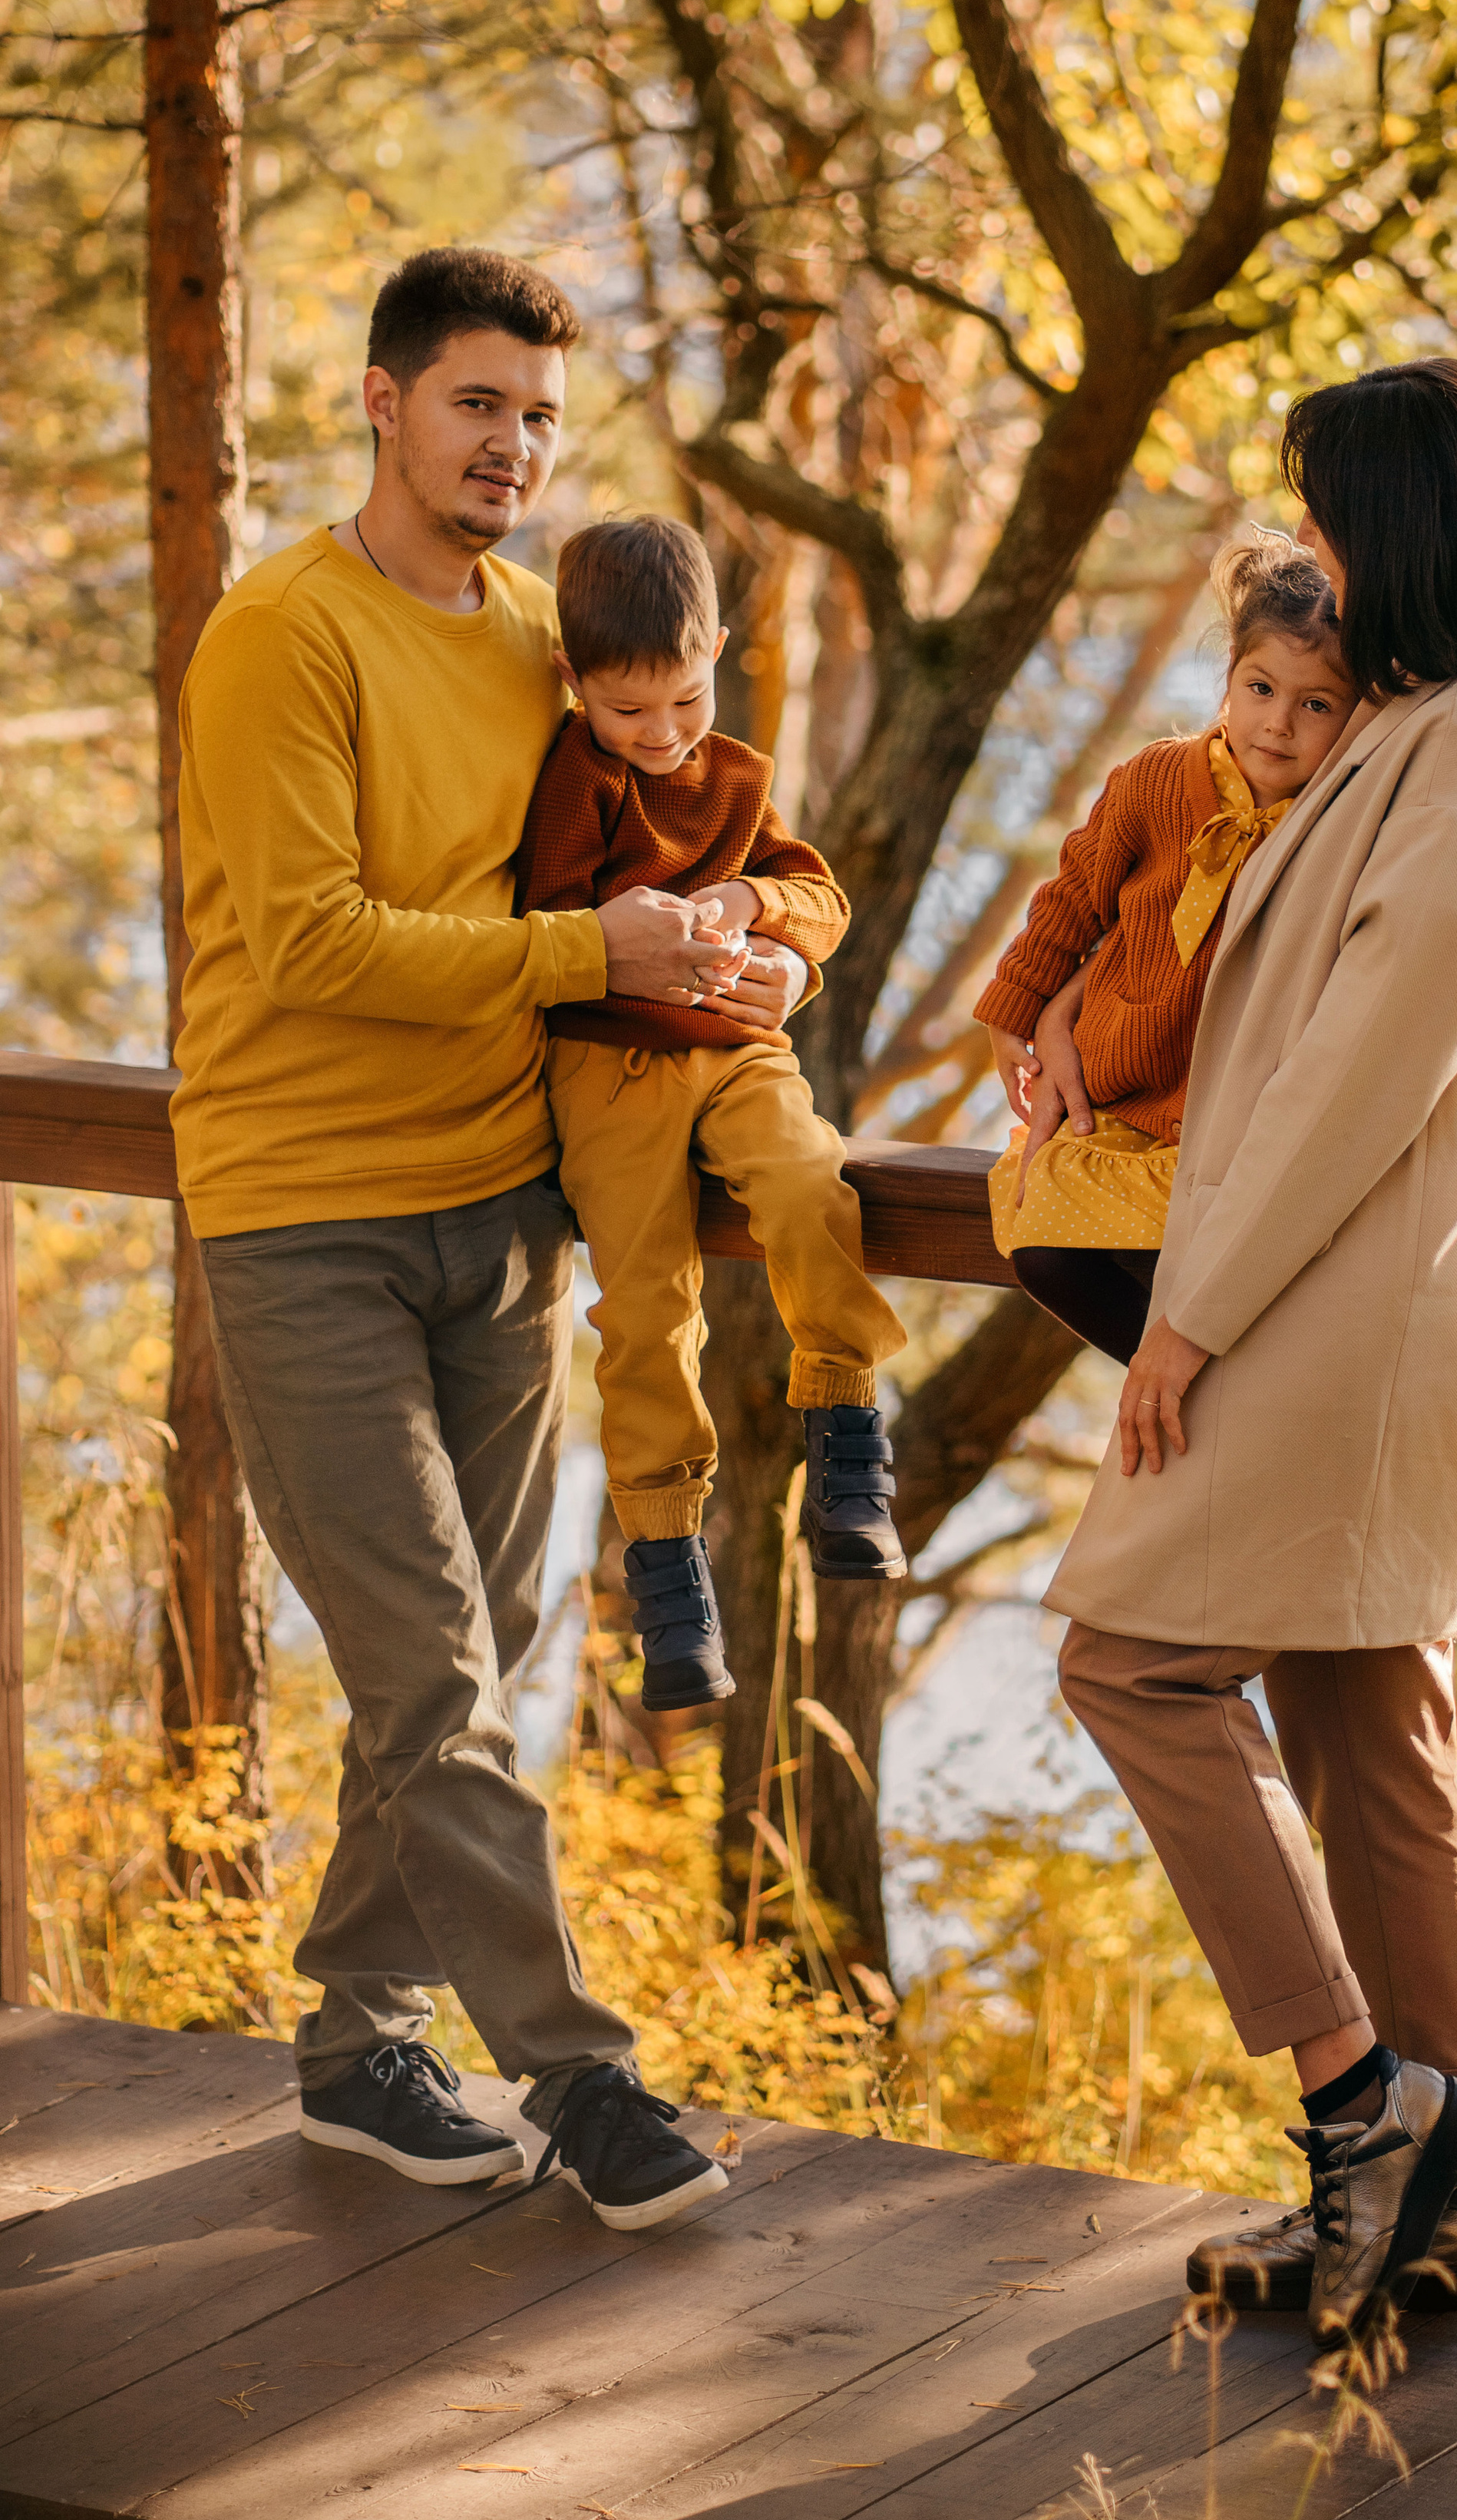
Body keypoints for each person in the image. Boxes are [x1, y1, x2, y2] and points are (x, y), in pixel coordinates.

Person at [173, 247, 805, 2231]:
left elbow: (685, 853)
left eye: (538, 416)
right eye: (475, 406)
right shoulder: (286, 634)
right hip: (305, 1217)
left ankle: (359, 2045)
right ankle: (583, 2079)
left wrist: (739, 957)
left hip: (506, 1214)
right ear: (380, 402)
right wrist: (585, 950)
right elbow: (309, 941)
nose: (511, 446)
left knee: (463, 1664)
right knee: (439, 1673)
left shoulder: (556, 637)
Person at [1032, 359, 1457, 2342]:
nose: (1325, 565)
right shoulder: (1451, 713)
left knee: (1130, 1658)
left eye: (1341, 521)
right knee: (1370, 1725)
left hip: (1342, 1298)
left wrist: (1184, 1314)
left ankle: (1362, 2099)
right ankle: (1419, 2211)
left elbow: (1366, 1063)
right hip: (1359, 1282)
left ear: (1418, 524)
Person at [513, 514, 907, 1708]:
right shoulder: (570, 785)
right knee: (644, 1310)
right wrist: (628, 943)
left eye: (685, 701)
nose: (663, 734)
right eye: (630, 712)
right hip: (611, 1072)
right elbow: (545, 927)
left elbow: (821, 901)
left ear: (720, 655)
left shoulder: (733, 775)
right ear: (573, 683)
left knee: (807, 1186)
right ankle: (667, 1566)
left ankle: (845, 1426)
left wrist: (756, 912)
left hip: (736, 1051)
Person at [976, 542, 1354, 1367]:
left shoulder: (1336, 825)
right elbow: (1073, 898)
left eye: (1316, 705)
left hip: (1219, 1115)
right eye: (1259, 690)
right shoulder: (1154, 780)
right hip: (1117, 1087)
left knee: (1187, 1263)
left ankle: (1213, 1391)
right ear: (1228, 678)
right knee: (1042, 1247)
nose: (1278, 724)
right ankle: (1193, 1389)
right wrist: (1014, 1010)